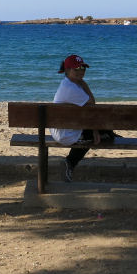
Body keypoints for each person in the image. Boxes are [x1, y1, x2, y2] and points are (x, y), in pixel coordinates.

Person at [51, 54, 117, 182]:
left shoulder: (67, 84)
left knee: (104, 130)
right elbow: (92, 102)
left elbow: (86, 111)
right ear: (67, 70)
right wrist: (84, 83)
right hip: (66, 134)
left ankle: (107, 133)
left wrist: (94, 129)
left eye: (83, 68)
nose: (80, 71)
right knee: (106, 134)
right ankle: (69, 163)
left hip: (62, 129)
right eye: (76, 69)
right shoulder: (72, 88)